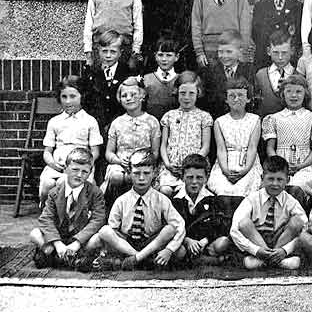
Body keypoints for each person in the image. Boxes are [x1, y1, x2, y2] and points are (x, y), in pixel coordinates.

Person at [90, 149, 185, 271]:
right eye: (136, 173)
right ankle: (141, 259)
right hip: (126, 243)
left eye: (146, 173)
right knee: (104, 231)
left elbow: (179, 224)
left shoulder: (161, 199)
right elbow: (113, 231)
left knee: (176, 241)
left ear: (154, 173)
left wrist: (169, 249)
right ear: (129, 173)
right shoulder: (121, 201)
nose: (141, 178)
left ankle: (134, 259)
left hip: (151, 243)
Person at [30, 148, 106, 269]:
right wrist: (57, 243)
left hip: (82, 240)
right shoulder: (54, 193)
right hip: (60, 237)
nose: (79, 175)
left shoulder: (95, 193)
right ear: (65, 168)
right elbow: (46, 219)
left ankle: (61, 257)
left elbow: (98, 219)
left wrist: (76, 243)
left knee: (99, 237)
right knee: (35, 234)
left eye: (84, 172)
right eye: (75, 170)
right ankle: (59, 254)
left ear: (90, 172)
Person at [230, 155, 307, 270]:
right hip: (258, 240)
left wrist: (285, 250)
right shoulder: (252, 199)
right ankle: (272, 260)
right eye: (270, 179)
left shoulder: (291, 202)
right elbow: (234, 230)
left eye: (280, 179)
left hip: (281, 241)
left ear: (288, 180)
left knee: (297, 221)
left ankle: (270, 260)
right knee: (244, 223)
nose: (275, 184)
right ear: (262, 178)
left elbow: (306, 229)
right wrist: (256, 250)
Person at [39, 75, 102, 206]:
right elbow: (47, 152)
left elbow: (95, 151)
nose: (68, 102)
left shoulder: (90, 121)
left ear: (82, 96)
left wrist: (85, 164)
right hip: (58, 167)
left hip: (81, 167)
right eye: (64, 97)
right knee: (48, 184)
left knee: (64, 183)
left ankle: (70, 214)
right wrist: (53, 164)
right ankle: (48, 209)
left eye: (73, 97)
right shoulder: (55, 122)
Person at [101, 77, 161, 210]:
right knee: (116, 177)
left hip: (144, 164)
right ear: (120, 99)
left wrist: (142, 162)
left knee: (140, 177)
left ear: (142, 96)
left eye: (133, 95)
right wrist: (118, 160)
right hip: (120, 165)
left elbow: (156, 152)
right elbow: (109, 152)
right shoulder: (117, 122)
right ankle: (113, 210)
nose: (129, 98)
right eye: (124, 96)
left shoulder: (152, 122)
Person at [262, 75, 312, 197]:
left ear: (305, 94)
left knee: (298, 184)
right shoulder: (273, 118)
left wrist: (301, 166)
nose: (293, 96)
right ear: (283, 94)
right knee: (278, 184)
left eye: (298, 92)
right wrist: (281, 165)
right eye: (289, 91)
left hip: (305, 164)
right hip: (279, 164)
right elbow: (270, 148)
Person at [158, 71, 213, 197]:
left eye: (191, 93)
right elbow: (163, 145)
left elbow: (205, 146)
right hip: (171, 167)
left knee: (188, 191)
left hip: (194, 167)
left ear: (198, 93)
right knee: (165, 190)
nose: (186, 97)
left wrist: (190, 164)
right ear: (177, 92)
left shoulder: (204, 117)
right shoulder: (169, 116)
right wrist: (167, 164)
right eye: (182, 93)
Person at [208, 77, 263, 197]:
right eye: (232, 96)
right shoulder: (220, 122)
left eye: (240, 95)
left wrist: (245, 170)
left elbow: (252, 148)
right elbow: (221, 149)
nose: (236, 99)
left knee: (244, 188)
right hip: (225, 164)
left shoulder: (255, 120)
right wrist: (226, 171)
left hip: (248, 163)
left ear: (248, 99)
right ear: (226, 100)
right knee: (223, 188)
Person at [172, 154, 231, 264]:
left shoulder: (213, 199)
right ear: (182, 177)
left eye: (199, 178)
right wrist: (187, 241)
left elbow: (219, 225)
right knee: (179, 251)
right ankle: (205, 260)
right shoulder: (175, 200)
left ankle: (202, 258)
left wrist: (205, 241)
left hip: (205, 244)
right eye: (190, 177)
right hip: (184, 242)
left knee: (222, 242)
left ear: (206, 178)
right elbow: (173, 226)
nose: (194, 182)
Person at [140, 0, 194, 72]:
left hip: (178, 50)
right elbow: (147, 26)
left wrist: (178, 47)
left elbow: (187, 26)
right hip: (156, 50)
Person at [252, 0, 303, 68]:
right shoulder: (260, 6)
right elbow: (256, 35)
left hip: (289, 61)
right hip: (265, 61)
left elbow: (298, 37)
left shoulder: (297, 7)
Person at [82, 30, 132, 133]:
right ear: (98, 51)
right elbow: (87, 100)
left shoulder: (127, 72)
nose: (108, 56)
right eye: (104, 51)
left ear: (120, 53)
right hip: (97, 126)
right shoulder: (92, 72)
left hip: (121, 125)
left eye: (113, 52)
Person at [199, 29, 256, 121]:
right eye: (220, 52)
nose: (224, 56)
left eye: (229, 52)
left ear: (240, 51)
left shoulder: (249, 71)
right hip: (217, 120)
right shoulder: (209, 72)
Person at [254, 30, 296, 117]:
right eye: (276, 53)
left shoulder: (298, 75)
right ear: (269, 51)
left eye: (284, 53)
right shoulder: (261, 75)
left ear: (292, 51)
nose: (280, 57)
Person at [143, 37, 179, 122]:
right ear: (155, 56)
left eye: (169, 55)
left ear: (177, 57)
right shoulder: (146, 79)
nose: (164, 59)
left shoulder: (180, 79)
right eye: (160, 55)